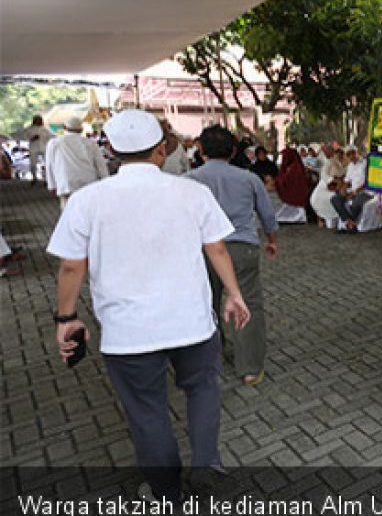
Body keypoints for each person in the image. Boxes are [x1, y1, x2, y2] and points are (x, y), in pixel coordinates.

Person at [46, 109, 250, 502]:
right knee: (203, 388)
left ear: (110, 149)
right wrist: (234, 293)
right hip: (192, 322)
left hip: (129, 333)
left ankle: (165, 491)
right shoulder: (191, 191)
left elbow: (71, 266)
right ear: (161, 149)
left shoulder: (88, 200)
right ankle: (206, 463)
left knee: (147, 410)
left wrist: (66, 318)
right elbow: (218, 247)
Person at [188, 126, 279, 386]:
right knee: (248, 303)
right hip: (243, 248)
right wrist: (272, 241)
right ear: (234, 150)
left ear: (200, 149)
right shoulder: (249, 178)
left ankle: (211, 360)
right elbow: (268, 216)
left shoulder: (189, 180)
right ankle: (250, 368)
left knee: (207, 304)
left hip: (204, 251)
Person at [45, 116, 108, 210]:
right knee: (88, 210)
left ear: (64, 128)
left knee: (67, 211)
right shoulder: (90, 143)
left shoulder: (55, 143)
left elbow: (49, 165)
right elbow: (100, 165)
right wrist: (105, 181)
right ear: (81, 129)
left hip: (66, 182)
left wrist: (52, 185)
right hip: (88, 182)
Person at [330, 148, 372, 231]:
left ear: (356, 153)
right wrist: (344, 189)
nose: (351, 156)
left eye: (352, 153)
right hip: (352, 190)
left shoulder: (365, 163)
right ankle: (349, 222)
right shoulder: (350, 166)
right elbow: (347, 181)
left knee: (355, 205)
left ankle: (348, 224)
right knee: (335, 199)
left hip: (365, 191)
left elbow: (368, 182)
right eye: (348, 155)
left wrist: (355, 192)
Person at [274, 147, 310, 224]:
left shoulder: (294, 167)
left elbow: (286, 180)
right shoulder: (294, 165)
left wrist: (277, 181)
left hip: (294, 192)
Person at [20, 115, 52, 183]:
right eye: (37, 120)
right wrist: (32, 138)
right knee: (33, 163)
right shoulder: (29, 129)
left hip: (44, 147)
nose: (39, 121)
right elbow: (24, 137)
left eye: (40, 120)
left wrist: (44, 139)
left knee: (47, 163)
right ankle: (34, 177)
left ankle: (47, 178)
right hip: (33, 147)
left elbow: (49, 138)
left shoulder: (45, 129)